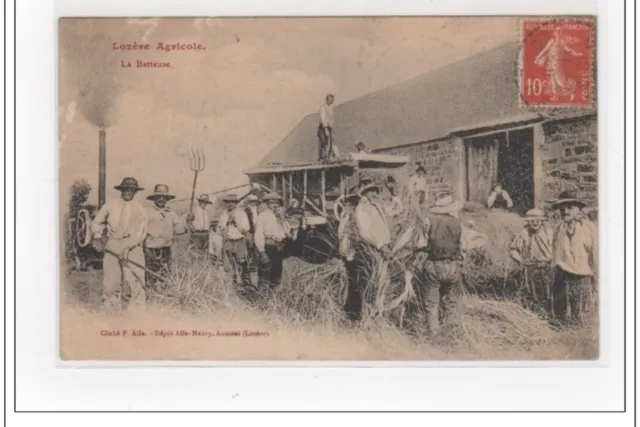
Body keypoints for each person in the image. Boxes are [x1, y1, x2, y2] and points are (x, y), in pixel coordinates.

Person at [411, 191, 465, 337]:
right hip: (453, 265)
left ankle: (434, 333)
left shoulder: (429, 221)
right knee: (450, 301)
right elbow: (463, 245)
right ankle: (450, 330)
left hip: (435, 264)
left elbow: (420, 243)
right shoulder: (457, 223)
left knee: (431, 302)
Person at [90, 177, 148, 313]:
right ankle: (112, 310)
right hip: (113, 243)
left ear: (135, 192)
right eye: (126, 189)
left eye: (131, 190)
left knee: (136, 278)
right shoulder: (110, 205)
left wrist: (132, 244)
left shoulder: (140, 208)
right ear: (121, 190)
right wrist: (98, 238)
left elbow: (143, 230)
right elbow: (97, 222)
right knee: (111, 279)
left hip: (134, 245)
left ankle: (137, 312)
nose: (128, 192)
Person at [342, 179, 392, 323]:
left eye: (375, 191)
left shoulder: (375, 206)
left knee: (381, 282)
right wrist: (381, 246)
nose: (374, 193)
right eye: (371, 191)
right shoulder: (362, 210)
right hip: (372, 250)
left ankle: (376, 315)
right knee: (371, 283)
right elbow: (365, 232)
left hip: (382, 249)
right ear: (365, 193)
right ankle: (364, 317)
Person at [549, 191, 598, 326]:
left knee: (580, 309)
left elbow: (595, 252)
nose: (565, 211)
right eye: (562, 208)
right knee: (560, 308)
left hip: (581, 274)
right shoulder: (558, 227)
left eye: (570, 207)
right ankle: (561, 332)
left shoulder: (589, 228)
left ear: (579, 210)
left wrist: (595, 274)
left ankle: (579, 334)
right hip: (561, 272)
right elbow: (554, 249)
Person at [143, 184, 187, 293]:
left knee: (165, 271)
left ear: (167, 199)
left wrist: (187, 222)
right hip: (151, 247)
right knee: (151, 272)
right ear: (154, 198)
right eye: (159, 196)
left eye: (164, 197)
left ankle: (162, 294)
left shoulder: (170, 212)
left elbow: (179, 229)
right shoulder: (147, 212)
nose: (161, 199)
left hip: (166, 247)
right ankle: (150, 294)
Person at [509, 208, 554, 312]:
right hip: (530, 267)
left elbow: (558, 250)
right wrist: (521, 260)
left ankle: (549, 313)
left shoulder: (550, 233)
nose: (535, 223)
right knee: (531, 291)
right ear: (528, 221)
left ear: (542, 221)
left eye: (537, 221)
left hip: (547, 266)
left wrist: (548, 259)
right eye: (532, 221)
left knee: (549, 291)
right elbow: (513, 250)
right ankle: (534, 313)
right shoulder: (524, 233)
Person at [216, 194, 253, 289]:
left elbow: (246, 228)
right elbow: (218, 230)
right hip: (228, 241)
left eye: (232, 202)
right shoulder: (223, 214)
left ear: (235, 203)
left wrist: (235, 222)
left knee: (242, 262)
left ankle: (246, 283)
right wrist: (224, 228)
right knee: (228, 265)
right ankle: (233, 284)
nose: (230, 204)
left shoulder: (241, 213)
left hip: (239, 241)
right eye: (228, 202)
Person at [254, 192, 290, 289]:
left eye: (277, 203)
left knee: (277, 271)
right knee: (265, 271)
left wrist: (282, 218)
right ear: (267, 204)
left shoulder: (279, 216)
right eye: (272, 202)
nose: (275, 205)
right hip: (268, 247)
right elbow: (258, 234)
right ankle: (262, 295)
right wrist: (262, 252)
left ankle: (274, 294)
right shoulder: (263, 216)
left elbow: (287, 231)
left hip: (278, 247)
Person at [317, 93, 335, 160]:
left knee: (329, 142)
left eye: (332, 100)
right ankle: (322, 157)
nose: (331, 101)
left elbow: (332, 119)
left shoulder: (331, 108)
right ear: (326, 100)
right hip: (323, 127)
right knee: (323, 142)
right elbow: (323, 118)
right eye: (329, 99)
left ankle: (327, 157)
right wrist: (325, 128)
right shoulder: (323, 107)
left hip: (329, 127)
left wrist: (331, 129)